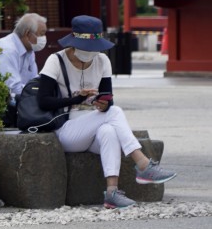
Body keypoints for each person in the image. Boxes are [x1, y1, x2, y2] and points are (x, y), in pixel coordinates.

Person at [37, 14, 177, 210]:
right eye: (86, 48)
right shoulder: (56, 61)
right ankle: (143, 164)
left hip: (95, 128)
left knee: (110, 130)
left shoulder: (102, 61)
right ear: (74, 43)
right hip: (67, 130)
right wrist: (77, 99)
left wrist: (103, 104)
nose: (90, 53)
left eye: (94, 49)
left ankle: (112, 192)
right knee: (116, 113)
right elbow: (43, 101)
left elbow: (108, 98)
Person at [0, 13, 48, 127]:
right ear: (27, 33)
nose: (44, 38)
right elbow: (14, 88)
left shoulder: (29, 50)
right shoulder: (7, 50)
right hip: (2, 110)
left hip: (19, 106)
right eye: (41, 34)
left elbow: (33, 83)